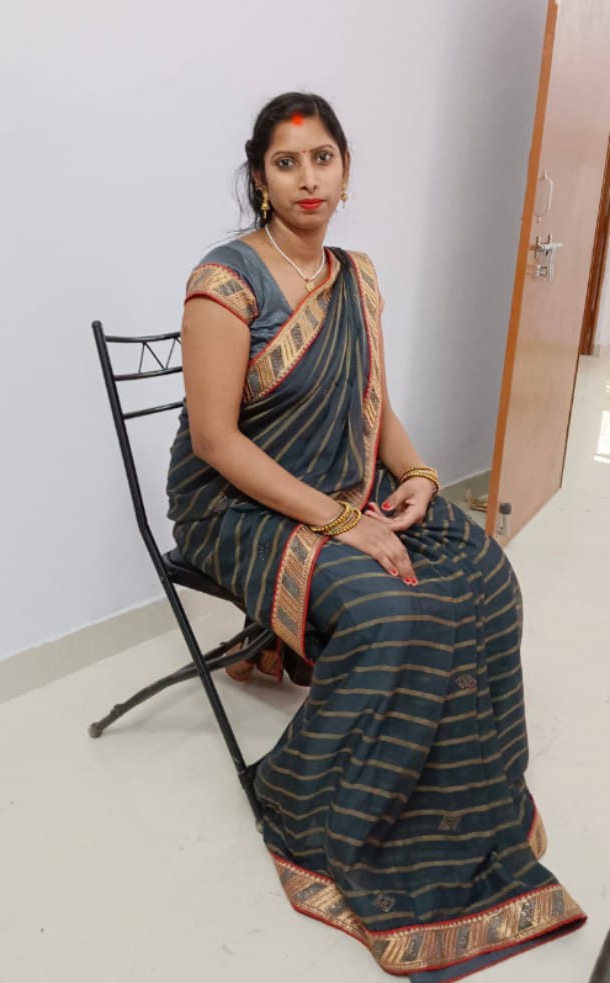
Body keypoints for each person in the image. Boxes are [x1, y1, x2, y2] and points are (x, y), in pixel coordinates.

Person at [165, 92, 584, 980]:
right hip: (234, 506)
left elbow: (371, 403)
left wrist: (420, 475)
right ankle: (318, 796)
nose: (306, 178)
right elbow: (216, 441)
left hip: (337, 486)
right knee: (393, 611)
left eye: (321, 158)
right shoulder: (224, 282)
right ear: (259, 179)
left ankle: (458, 797)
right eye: (285, 163)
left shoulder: (353, 275)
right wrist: (343, 522)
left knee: (482, 573)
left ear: (345, 171)